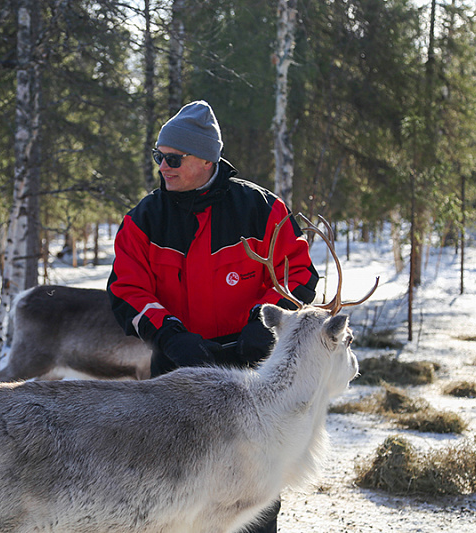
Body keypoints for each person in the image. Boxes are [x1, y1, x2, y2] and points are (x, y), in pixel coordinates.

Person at [107, 100, 319, 532]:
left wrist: (264, 324)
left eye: (173, 159)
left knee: (253, 494)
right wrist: (169, 334)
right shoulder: (144, 219)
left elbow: (298, 274)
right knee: (170, 493)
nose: (162, 167)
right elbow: (126, 289)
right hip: (177, 372)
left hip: (250, 371)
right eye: (158, 156)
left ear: (206, 160)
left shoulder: (262, 209)